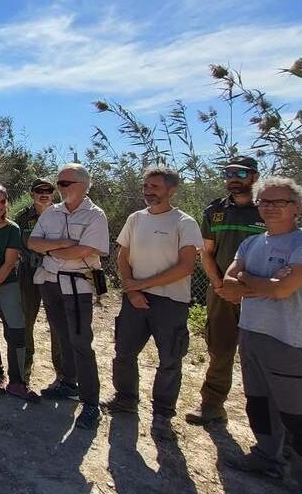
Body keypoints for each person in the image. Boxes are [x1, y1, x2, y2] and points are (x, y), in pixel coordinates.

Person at [220, 177, 302, 492]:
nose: (269, 207)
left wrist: (251, 280)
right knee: (259, 403)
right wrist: (264, 283)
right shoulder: (251, 243)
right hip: (252, 333)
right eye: (264, 202)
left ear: (296, 207)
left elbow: (283, 289)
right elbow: (229, 286)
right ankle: (267, 458)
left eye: (278, 202)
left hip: (290, 340)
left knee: (300, 413)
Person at [102, 166, 201, 441]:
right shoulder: (136, 219)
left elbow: (185, 267)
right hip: (134, 298)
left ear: (172, 190)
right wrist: (131, 289)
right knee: (124, 352)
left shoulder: (184, 223)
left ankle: (162, 416)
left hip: (170, 303)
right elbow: (123, 256)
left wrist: (139, 286)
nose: (148, 192)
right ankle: (125, 399)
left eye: (155, 187)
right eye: (146, 186)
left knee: (169, 359)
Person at [27, 163, 110, 430]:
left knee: (81, 343)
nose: (59, 189)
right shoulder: (51, 213)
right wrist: (62, 245)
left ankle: (91, 403)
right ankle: (68, 383)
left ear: (83, 186)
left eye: (64, 184)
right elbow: (33, 243)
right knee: (62, 337)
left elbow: (89, 250)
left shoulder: (96, 216)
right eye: (58, 183)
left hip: (78, 287)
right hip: (50, 283)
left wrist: (52, 250)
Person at [187, 155, 264, 426]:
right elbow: (206, 252)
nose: (234, 179)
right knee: (220, 348)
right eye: (229, 173)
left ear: (254, 177)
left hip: (262, 294)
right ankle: (212, 404)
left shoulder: (267, 209)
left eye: (241, 174)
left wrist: (251, 288)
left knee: (261, 354)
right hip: (222, 291)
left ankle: (269, 417)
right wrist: (219, 285)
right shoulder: (214, 211)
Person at [0, 184, 39, 402]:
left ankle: (18, 381)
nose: (0, 206)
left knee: (16, 330)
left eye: (3, 201)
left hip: (5, 285)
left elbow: (9, 263)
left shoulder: (12, 229)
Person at [13, 177, 56, 389]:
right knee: (26, 321)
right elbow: (15, 243)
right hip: (28, 273)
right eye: (39, 190)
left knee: (57, 324)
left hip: (56, 274)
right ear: (32, 194)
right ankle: (24, 370)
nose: (44, 193)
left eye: (48, 189)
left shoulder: (62, 215)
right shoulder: (22, 218)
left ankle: (63, 376)